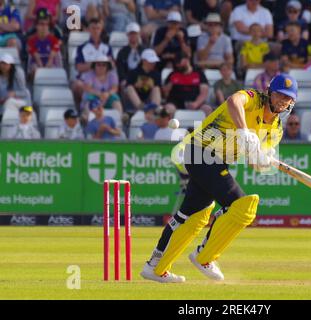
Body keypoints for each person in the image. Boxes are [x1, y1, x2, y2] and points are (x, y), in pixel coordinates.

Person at [140, 73, 298, 283]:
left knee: (192, 216)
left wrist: (261, 158)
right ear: (269, 92)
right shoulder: (254, 99)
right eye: (279, 94)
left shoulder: (276, 129)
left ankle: (155, 267)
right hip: (200, 151)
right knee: (242, 206)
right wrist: (244, 132)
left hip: (217, 162)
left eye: (287, 98)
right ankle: (204, 256)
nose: (282, 101)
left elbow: (255, 162)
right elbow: (233, 101)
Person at [72, 18, 113, 106]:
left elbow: (112, 65)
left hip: (103, 80)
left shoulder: (107, 48)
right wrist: (96, 64)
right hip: (86, 80)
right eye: (93, 28)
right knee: (77, 85)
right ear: (88, 30)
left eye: (98, 28)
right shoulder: (82, 48)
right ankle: (82, 110)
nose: (95, 31)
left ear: (101, 30)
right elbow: (79, 67)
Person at [81, 54, 123, 124]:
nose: (101, 67)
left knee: (115, 98)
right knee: (88, 98)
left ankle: (121, 118)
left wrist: (107, 94)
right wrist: (100, 94)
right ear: (94, 65)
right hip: (94, 97)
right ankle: (86, 117)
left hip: (107, 98)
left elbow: (114, 88)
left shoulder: (113, 75)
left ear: (107, 66)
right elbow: (88, 88)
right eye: (98, 64)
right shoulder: (89, 74)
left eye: (104, 65)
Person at [26, 8, 63, 79]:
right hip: (37, 63)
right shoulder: (31, 40)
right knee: (36, 69)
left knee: (51, 69)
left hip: (50, 63)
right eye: (41, 24)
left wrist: (46, 68)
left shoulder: (54, 39)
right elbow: (36, 57)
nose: (44, 27)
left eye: (46, 25)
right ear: (36, 25)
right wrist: (41, 68)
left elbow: (51, 58)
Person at [125, 49, 162, 115]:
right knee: (129, 88)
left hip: (149, 98)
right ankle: (142, 108)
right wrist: (136, 85)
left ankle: (154, 108)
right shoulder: (133, 73)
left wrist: (151, 86)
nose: (153, 64)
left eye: (154, 62)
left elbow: (158, 88)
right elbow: (128, 87)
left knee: (156, 88)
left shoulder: (156, 74)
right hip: (136, 99)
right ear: (144, 61)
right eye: (151, 62)